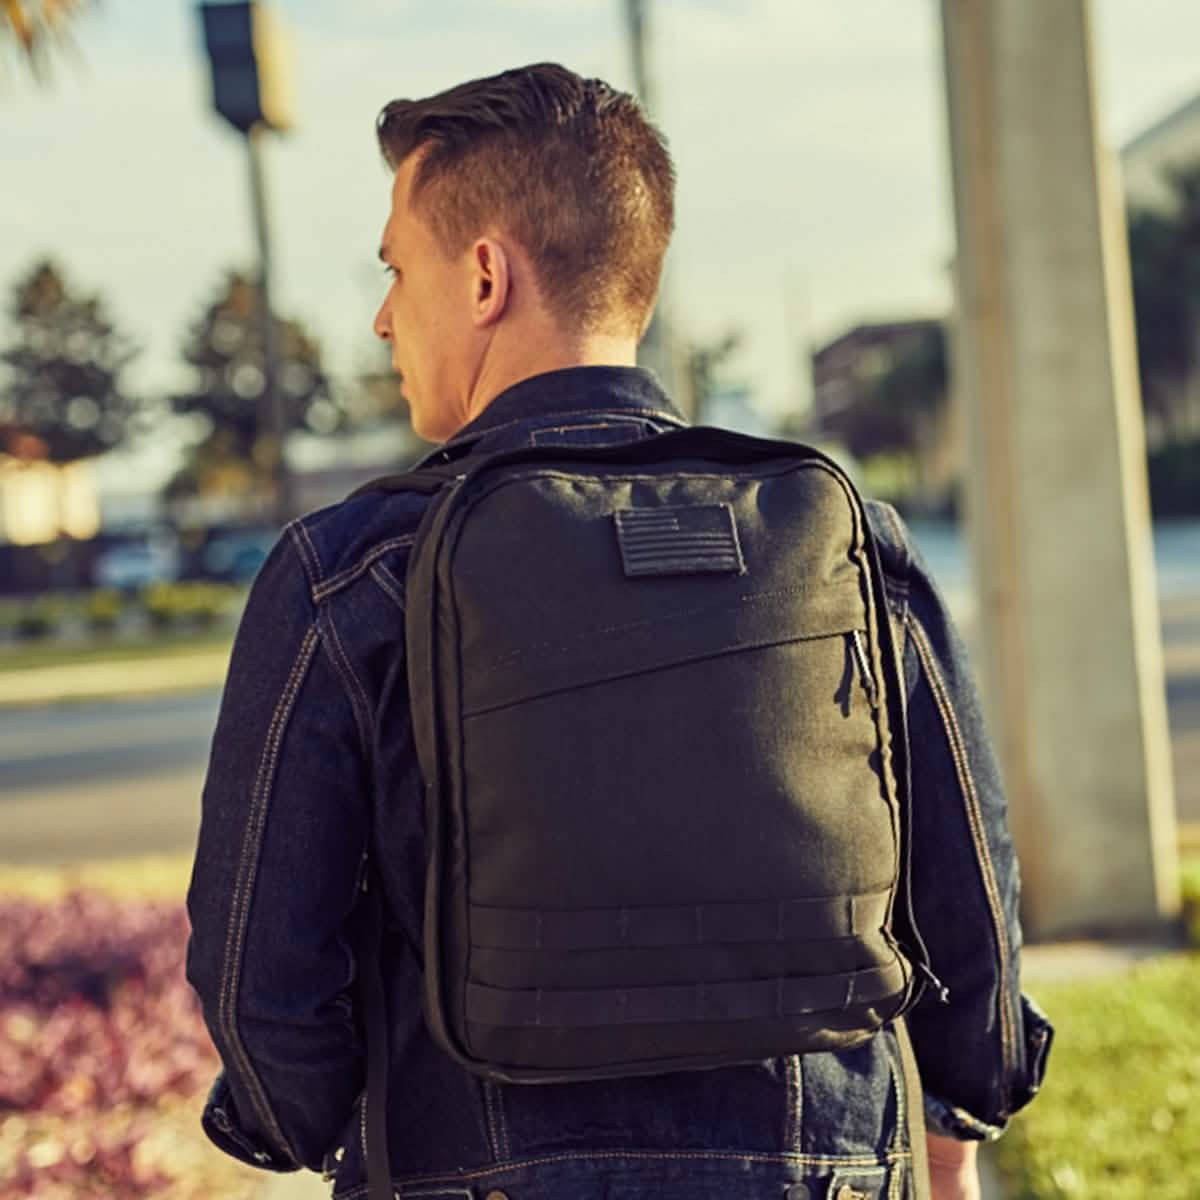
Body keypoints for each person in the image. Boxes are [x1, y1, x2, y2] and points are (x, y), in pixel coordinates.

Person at [186, 62, 1051, 1200]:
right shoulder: (843, 534)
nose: (387, 314)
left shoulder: (350, 571)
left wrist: (316, 1124)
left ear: (485, 275)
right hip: (821, 1167)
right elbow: (968, 883)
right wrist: (957, 1112)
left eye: (397, 270)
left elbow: (259, 972)